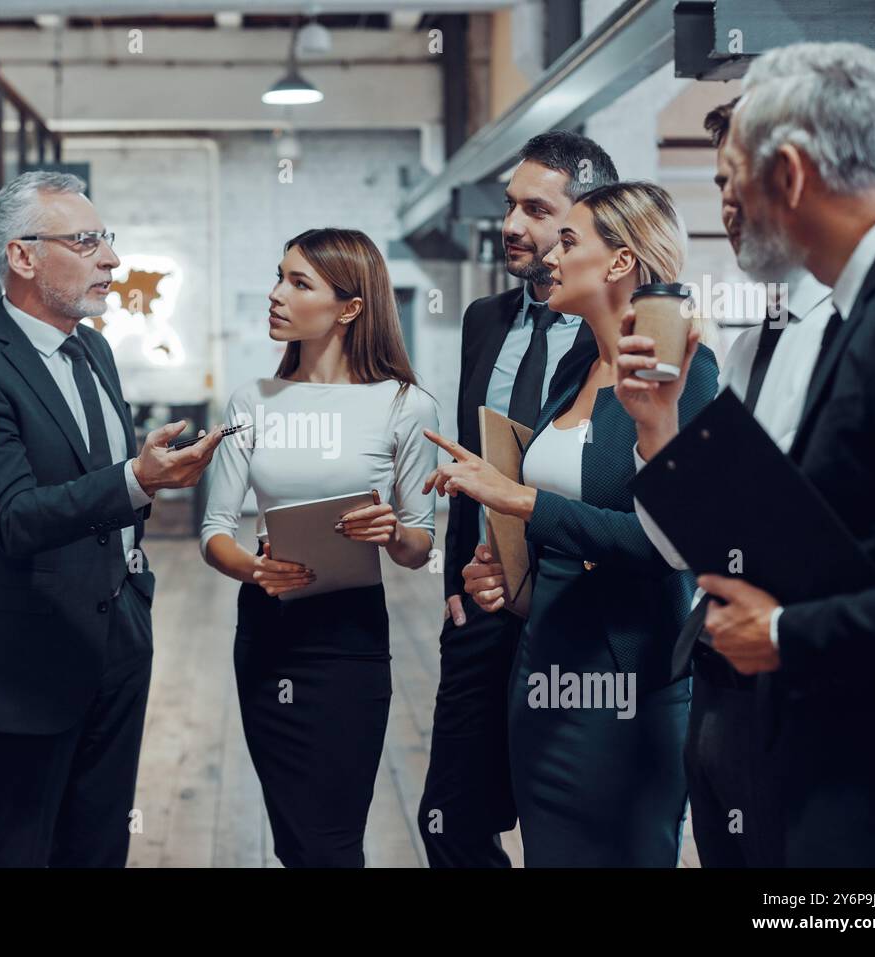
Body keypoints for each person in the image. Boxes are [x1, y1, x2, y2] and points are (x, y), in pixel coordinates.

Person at [681, 43, 875, 866]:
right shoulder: (872, 306)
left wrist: (789, 631)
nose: (729, 202)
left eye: (736, 178)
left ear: (787, 174)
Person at [0, 171, 224, 867]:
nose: (111, 260)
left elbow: (101, 490)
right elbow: (11, 516)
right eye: (87, 241)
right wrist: (135, 480)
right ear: (23, 257)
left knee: (98, 846)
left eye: (106, 239)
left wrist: (134, 588)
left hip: (116, 638)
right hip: (24, 665)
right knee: (18, 850)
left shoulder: (92, 349)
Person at [424, 182, 718, 866]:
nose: (549, 257)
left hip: (629, 685)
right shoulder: (575, 366)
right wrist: (505, 569)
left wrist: (521, 501)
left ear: (619, 263)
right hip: (542, 669)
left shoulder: (687, 373)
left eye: (568, 241)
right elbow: (561, 531)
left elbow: (668, 543)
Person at [614, 98, 834, 867]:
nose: (728, 206)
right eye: (719, 184)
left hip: (818, 699)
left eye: (742, 182)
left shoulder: (868, 336)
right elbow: (695, 548)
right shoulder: (747, 351)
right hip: (724, 692)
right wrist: (655, 425)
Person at [200, 228, 438, 867]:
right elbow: (213, 530)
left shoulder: (406, 407)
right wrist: (257, 569)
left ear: (350, 307)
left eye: (298, 282)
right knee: (295, 840)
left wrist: (392, 532)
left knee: (331, 843)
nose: (276, 295)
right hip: (268, 633)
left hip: (348, 641)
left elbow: (419, 545)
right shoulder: (251, 401)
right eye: (280, 276)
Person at [417, 131, 618, 868]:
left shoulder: (613, 339)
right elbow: (475, 476)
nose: (511, 225)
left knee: (558, 829)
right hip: (478, 608)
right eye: (510, 206)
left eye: (537, 209)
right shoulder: (485, 321)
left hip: (569, 615)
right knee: (450, 821)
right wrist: (454, 595)